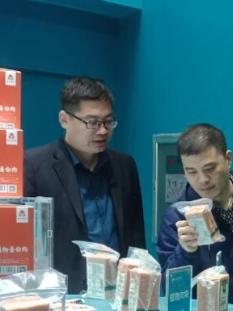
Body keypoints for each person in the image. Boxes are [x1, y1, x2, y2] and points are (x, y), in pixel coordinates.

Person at [24, 77, 145, 293]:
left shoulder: (124, 166)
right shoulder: (34, 166)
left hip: (119, 292)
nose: (103, 131)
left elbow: (136, 237)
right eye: (92, 122)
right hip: (65, 294)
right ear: (64, 119)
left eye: (108, 122)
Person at [157, 123, 233, 311]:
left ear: (228, 159)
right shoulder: (177, 217)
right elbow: (170, 288)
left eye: (210, 168)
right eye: (191, 171)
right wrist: (186, 251)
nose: (203, 180)